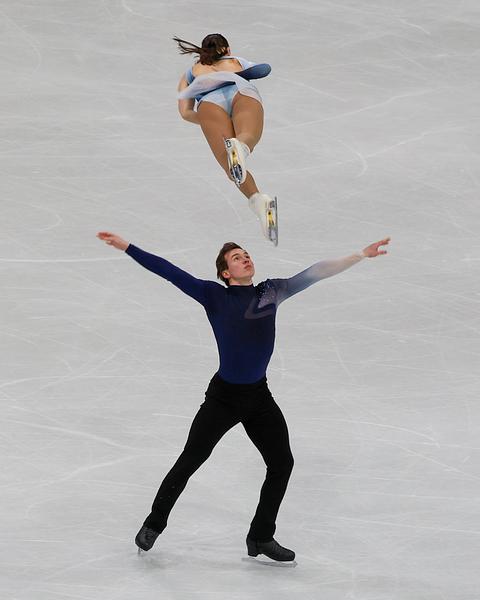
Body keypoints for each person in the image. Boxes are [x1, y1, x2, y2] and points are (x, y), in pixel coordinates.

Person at [96, 230, 390, 561]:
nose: (245, 258)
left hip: (258, 397)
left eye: (246, 254)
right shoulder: (213, 296)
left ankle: (261, 536)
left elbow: (316, 272)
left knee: (282, 463)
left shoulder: (271, 291)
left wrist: (360, 254)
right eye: (237, 258)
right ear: (225, 273)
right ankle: (154, 524)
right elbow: (169, 271)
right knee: (191, 459)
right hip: (223, 398)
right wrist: (128, 247)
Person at [174, 33, 278, 244]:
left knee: (233, 170)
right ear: (228, 49)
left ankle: (259, 200)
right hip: (241, 90)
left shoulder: (190, 74)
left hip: (208, 103)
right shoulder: (236, 61)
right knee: (248, 135)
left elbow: (185, 112)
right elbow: (263, 69)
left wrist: (208, 121)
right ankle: (241, 147)